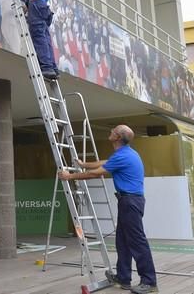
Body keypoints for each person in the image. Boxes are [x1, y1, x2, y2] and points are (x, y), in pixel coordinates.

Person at [58, 125, 159, 294]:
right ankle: (123, 278)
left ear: (118, 137)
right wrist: (84, 164)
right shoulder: (125, 153)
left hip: (130, 202)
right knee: (123, 241)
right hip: (129, 201)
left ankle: (149, 282)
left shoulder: (124, 156)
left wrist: (70, 177)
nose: (111, 130)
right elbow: (104, 163)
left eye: (114, 130)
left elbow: (96, 173)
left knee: (137, 241)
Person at [21, 0, 59, 80]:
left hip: (36, 6)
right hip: (43, 9)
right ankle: (53, 67)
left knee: (38, 37)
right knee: (46, 39)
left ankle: (47, 67)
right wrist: (27, 8)